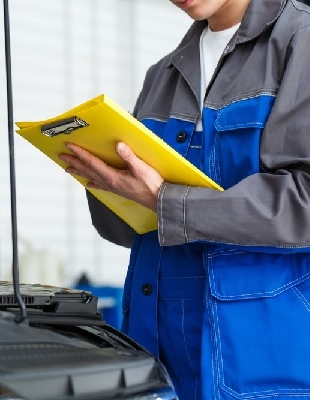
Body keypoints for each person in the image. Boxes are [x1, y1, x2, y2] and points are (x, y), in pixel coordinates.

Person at [58, 0, 310, 399]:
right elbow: (135, 230)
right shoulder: (162, 75)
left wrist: (164, 199)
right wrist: (105, 180)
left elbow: (304, 202)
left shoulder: (301, 40)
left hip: (261, 359)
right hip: (155, 351)